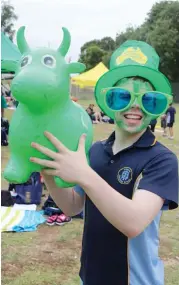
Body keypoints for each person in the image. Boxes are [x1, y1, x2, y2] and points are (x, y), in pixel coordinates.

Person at [30, 41, 178, 285]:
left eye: (148, 100)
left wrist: (85, 175)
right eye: (122, 97)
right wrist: (49, 170)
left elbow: (134, 222)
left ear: (157, 108)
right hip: (89, 278)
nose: (134, 106)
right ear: (108, 102)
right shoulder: (95, 150)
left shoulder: (161, 159)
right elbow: (72, 206)